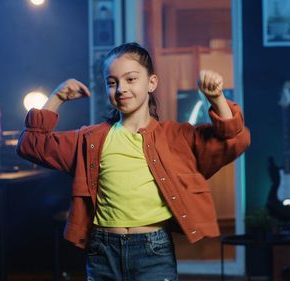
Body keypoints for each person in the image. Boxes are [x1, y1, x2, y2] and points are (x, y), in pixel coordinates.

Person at [16, 42, 250, 281]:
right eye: (112, 82)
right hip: (102, 251)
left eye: (130, 79)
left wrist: (217, 99)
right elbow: (30, 144)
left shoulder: (176, 137)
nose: (120, 89)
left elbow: (235, 139)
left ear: (152, 83)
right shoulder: (89, 139)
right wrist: (56, 98)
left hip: (153, 251)